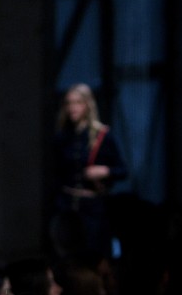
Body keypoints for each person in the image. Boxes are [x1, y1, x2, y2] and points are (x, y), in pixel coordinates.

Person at [53, 84, 127, 260]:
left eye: (78, 102)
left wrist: (104, 171)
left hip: (92, 207)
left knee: (92, 253)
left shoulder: (102, 135)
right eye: (69, 103)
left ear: (87, 104)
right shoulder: (63, 136)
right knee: (66, 254)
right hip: (67, 204)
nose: (73, 107)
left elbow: (122, 170)